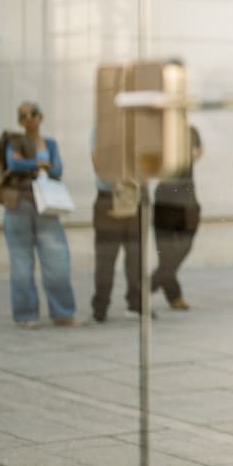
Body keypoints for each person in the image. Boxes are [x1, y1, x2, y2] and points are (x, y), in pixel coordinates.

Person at [0, 101, 80, 328]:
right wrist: (38, 163)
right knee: (21, 263)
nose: (29, 119)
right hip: (18, 207)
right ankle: (25, 315)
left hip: (46, 206)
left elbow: (57, 169)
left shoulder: (50, 143)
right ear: (19, 120)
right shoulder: (14, 141)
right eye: (23, 115)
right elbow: (14, 163)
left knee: (57, 261)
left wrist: (33, 164)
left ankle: (63, 313)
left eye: (33, 114)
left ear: (41, 117)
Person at [90, 130, 148, 322]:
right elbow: (99, 164)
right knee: (106, 256)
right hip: (109, 196)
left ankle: (135, 303)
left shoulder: (140, 128)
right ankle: (100, 306)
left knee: (136, 256)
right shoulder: (102, 128)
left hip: (134, 196)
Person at [151, 125, 203, 310]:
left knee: (184, 246)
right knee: (165, 254)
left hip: (187, 195)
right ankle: (174, 297)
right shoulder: (158, 132)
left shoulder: (190, 130)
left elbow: (197, 152)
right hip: (165, 196)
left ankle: (148, 285)